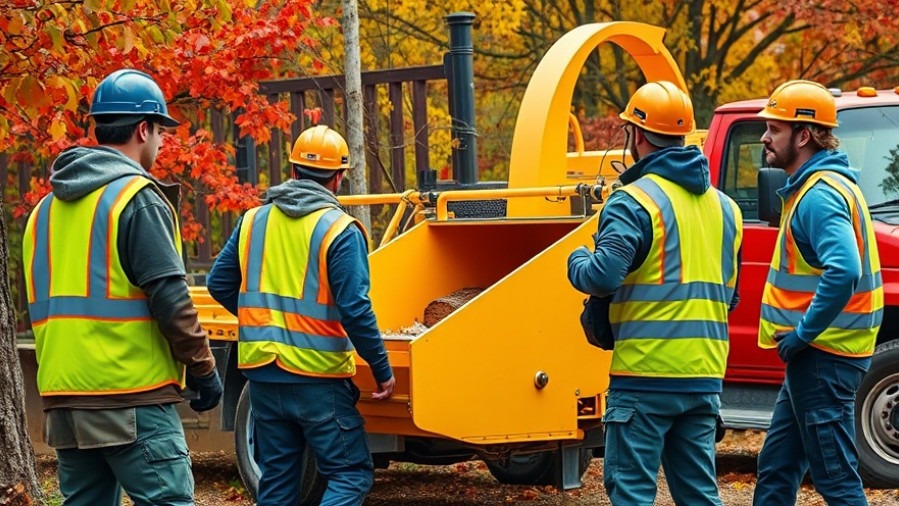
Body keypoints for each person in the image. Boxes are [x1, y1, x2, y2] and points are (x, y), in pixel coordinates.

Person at [22, 69, 223, 506]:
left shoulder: (43, 212)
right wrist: (205, 371)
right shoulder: (136, 198)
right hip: (131, 398)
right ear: (142, 129)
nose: (162, 142)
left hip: (65, 401)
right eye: (160, 131)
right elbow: (171, 299)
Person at [567, 81, 743, 505]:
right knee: (699, 494)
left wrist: (575, 260)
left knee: (632, 494)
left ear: (638, 135)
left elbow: (603, 276)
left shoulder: (633, 201)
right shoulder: (726, 208)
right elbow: (729, 296)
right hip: (703, 376)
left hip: (644, 378)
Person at [207, 124, 396, 505]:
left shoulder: (252, 221)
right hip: (318, 378)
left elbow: (218, 283)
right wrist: (381, 368)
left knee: (277, 477)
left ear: (293, 171)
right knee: (349, 473)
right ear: (339, 177)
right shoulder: (339, 230)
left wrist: (261, 320)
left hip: (263, 376)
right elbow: (355, 308)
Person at [752, 80, 883, 505]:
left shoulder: (819, 196)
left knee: (836, 480)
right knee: (776, 469)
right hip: (820, 358)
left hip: (824, 357)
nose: (764, 137)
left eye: (774, 129)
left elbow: (844, 270)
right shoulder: (827, 186)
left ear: (803, 135)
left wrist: (803, 334)